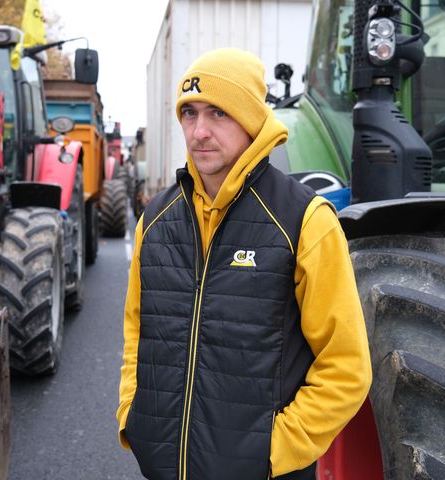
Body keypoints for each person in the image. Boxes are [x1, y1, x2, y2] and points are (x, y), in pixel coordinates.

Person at [117, 48, 372, 480]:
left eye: (219, 113)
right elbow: (137, 333)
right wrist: (133, 415)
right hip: (164, 467)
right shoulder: (155, 220)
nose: (199, 131)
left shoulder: (303, 220)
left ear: (252, 120)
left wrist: (273, 451)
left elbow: (346, 367)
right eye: (190, 113)